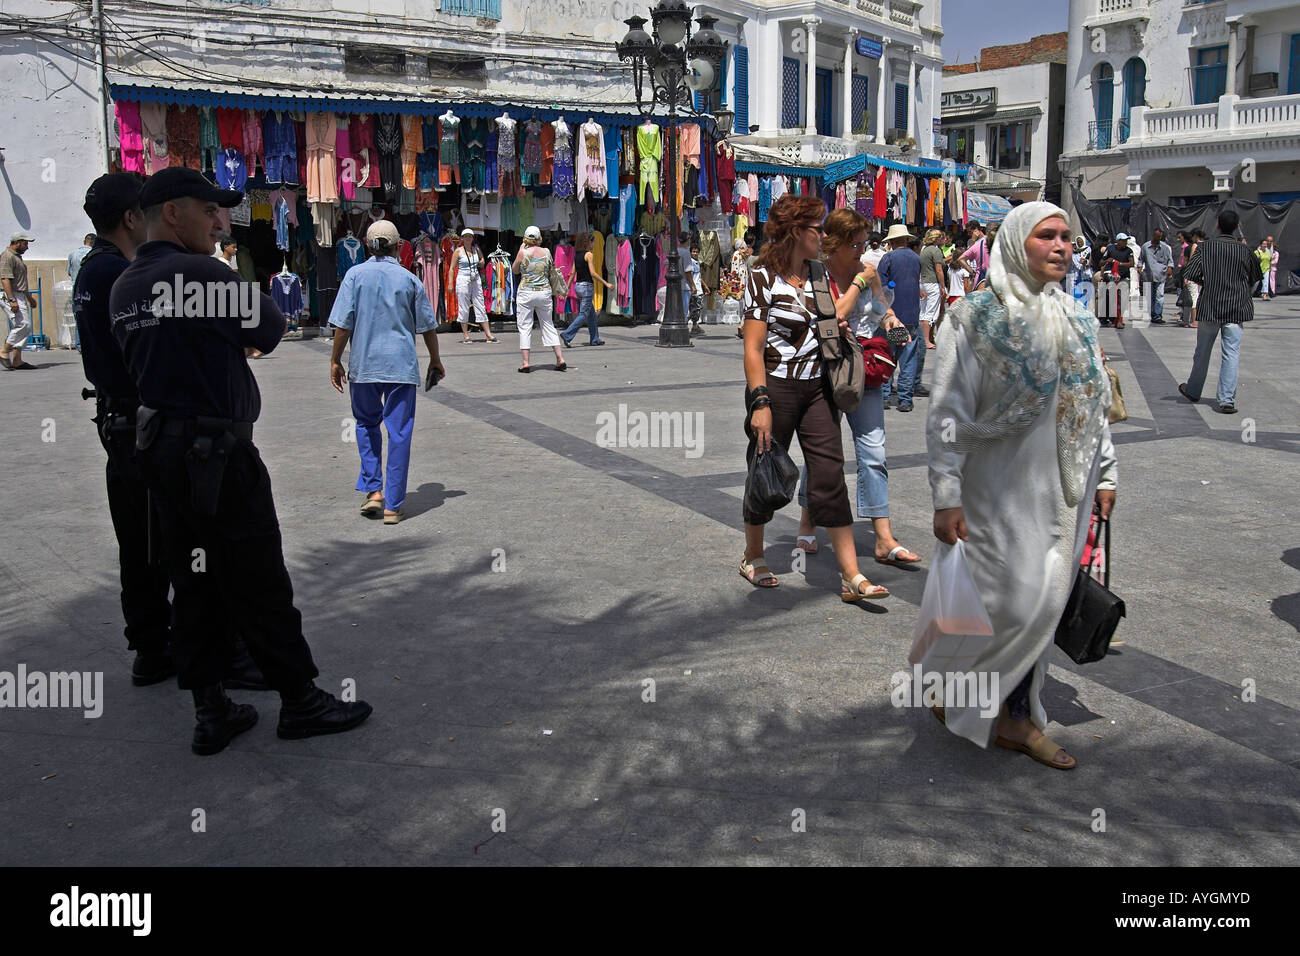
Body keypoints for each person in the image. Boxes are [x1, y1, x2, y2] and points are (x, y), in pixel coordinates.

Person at [110, 166, 372, 755]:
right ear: (173, 214)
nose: (220, 221)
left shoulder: (125, 287)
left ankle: (210, 710)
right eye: (209, 211)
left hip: (162, 451)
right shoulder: (200, 273)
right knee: (258, 577)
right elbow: (271, 328)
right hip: (220, 454)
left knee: (193, 578)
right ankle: (300, 700)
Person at [927, 201, 1118, 770]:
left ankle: (1003, 708)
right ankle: (996, 707)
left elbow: (1094, 404)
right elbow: (947, 410)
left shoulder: (1077, 316)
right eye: (1047, 236)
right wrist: (946, 494)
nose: (1062, 246)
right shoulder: (972, 318)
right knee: (1012, 600)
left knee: (1045, 597)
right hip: (995, 489)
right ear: (1015, 243)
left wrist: (1106, 472)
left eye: (1066, 237)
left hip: (1063, 489)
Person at [77, 173, 267, 692]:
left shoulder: (102, 272)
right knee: (186, 551)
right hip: (157, 429)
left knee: (153, 546)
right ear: (136, 217)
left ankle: (162, 652)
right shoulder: (121, 273)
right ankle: (193, 652)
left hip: (135, 426)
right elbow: (264, 327)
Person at [740, 195, 888, 601]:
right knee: (764, 469)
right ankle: (754, 554)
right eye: (817, 229)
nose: (823, 236)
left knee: (829, 474)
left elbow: (831, 318)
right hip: (777, 388)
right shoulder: (762, 277)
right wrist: (761, 403)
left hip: (818, 388)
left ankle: (851, 575)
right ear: (794, 232)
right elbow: (753, 349)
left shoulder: (820, 273)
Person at [795, 208, 919, 567]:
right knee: (821, 454)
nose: (861, 253)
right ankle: (808, 519)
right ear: (832, 245)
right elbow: (836, 314)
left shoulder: (869, 272)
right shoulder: (816, 275)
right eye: (854, 246)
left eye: (864, 245)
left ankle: (883, 537)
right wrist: (858, 284)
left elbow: (882, 309)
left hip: (865, 372)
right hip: (825, 372)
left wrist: (894, 324)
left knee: (874, 453)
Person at [329, 219, 444, 525]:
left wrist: (335, 360)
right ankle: (393, 505)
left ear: (368, 245)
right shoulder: (409, 280)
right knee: (399, 432)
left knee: (366, 425)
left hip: (364, 366)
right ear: (398, 247)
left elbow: (343, 324)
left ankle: (373, 490)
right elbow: (428, 326)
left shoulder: (354, 275)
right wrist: (435, 359)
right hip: (400, 367)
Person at [1178, 209, 1258, 415]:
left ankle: (1194, 390)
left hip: (1210, 307)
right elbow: (1255, 278)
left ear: (1218, 226)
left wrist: (1209, 281)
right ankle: (1226, 400)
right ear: (1237, 226)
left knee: (1202, 352)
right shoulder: (1245, 250)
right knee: (1231, 354)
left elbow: (1190, 273)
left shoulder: (1205, 248)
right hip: (1236, 309)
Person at [878, 224, 925, 412]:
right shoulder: (915, 258)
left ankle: (884, 396)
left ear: (890, 241)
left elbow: (880, 288)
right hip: (911, 315)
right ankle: (905, 399)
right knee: (908, 358)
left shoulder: (887, 258)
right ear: (906, 239)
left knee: (888, 356)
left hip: (891, 316)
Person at [513, 225, 566, 372]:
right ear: (538, 238)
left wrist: (520, 251)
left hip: (526, 293)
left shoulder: (522, 253)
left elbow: (515, 270)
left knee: (525, 327)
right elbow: (551, 270)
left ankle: (526, 363)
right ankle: (560, 359)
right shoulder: (547, 252)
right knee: (548, 324)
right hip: (544, 293)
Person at [560, 232, 611, 347]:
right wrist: (605, 283)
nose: (594, 245)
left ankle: (595, 339)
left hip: (578, 287)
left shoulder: (577, 255)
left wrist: (567, 288)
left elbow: (572, 273)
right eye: (593, 242)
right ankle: (567, 334)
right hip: (587, 287)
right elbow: (593, 273)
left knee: (591, 314)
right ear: (588, 243)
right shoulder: (589, 255)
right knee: (583, 314)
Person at [453, 228, 500, 344]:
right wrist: (450, 283)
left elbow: (482, 259)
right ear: (462, 238)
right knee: (463, 306)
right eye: (466, 236)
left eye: (470, 236)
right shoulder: (458, 251)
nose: (468, 238)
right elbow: (451, 268)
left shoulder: (476, 249)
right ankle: (465, 335)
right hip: (463, 279)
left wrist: (482, 261)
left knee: (480, 304)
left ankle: (488, 334)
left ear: (472, 238)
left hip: (475, 279)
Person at [1, 231, 38, 370]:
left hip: (19, 294)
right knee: (23, 325)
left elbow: (21, 282)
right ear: (17, 242)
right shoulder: (7, 256)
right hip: (10, 294)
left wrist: (29, 298)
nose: (27, 247)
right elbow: (5, 279)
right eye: (25, 243)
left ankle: (17, 360)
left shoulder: (17, 257)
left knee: (24, 327)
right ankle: (4, 351)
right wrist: (12, 300)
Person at [919, 228, 947, 357]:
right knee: (931, 312)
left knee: (923, 311)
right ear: (936, 239)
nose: (943, 240)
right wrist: (943, 286)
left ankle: (925, 338)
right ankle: (926, 340)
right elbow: (939, 270)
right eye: (941, 237)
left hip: (923, 283)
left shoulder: (924, 250)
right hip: (932, 283)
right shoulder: (935, 251)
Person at [1140, 229, 1173, 324]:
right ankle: (1150, 314)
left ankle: (1157, 315)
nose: (1158, 238)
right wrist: (1139, 266)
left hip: (1160, 275)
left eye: (1160, 237)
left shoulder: (1165, 247)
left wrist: (1170, 268)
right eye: (1156, 236)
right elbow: (1141, 259)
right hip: (1148, 275)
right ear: (1153, 235)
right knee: (1149, 296)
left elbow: (1170, 260)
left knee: (1159, 296)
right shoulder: (1145, 247)